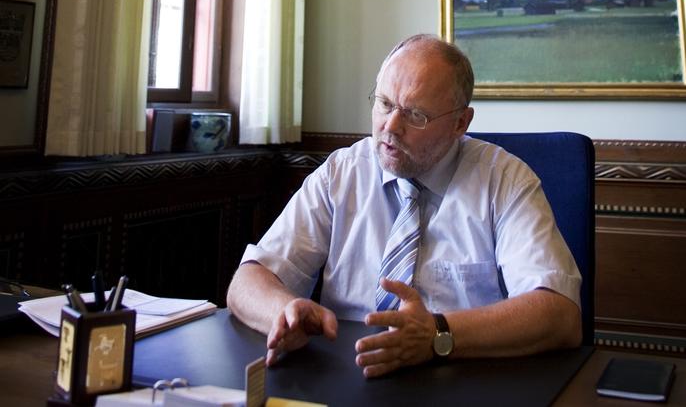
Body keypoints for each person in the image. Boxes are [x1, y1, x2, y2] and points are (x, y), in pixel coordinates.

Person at [227, 34, 582, 379]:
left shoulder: (504, 180)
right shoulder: (342, 172)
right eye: (384, 104)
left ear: (461, 123)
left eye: (415, 115)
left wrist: (437, 333)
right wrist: (282, 312)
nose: (390, 127)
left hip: (466, 379)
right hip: (349, 374)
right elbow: (248, 281)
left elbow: (559, 315)